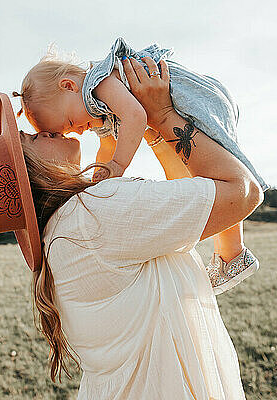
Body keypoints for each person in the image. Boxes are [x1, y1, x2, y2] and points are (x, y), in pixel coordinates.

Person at [15, 56, 263, 399]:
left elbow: (189, 195)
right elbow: (242, 192)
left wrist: (152, 129)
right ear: (33, 172)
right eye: (30, 140)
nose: (42, 131)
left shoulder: (68, 227)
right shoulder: (93, 214)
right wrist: (161, 116)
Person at [15, 37, 268, 295]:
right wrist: (99, 178)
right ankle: (231, 254)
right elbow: (108, 146)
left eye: (69, 122)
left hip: (190, 95)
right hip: (177, 104)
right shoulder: (98, 110)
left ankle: (232, 253)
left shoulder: (98, 83)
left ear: (68, 85)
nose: (76, 132)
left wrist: (117, 165)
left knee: (218, 169)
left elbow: (136, 117)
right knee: (207, 176)